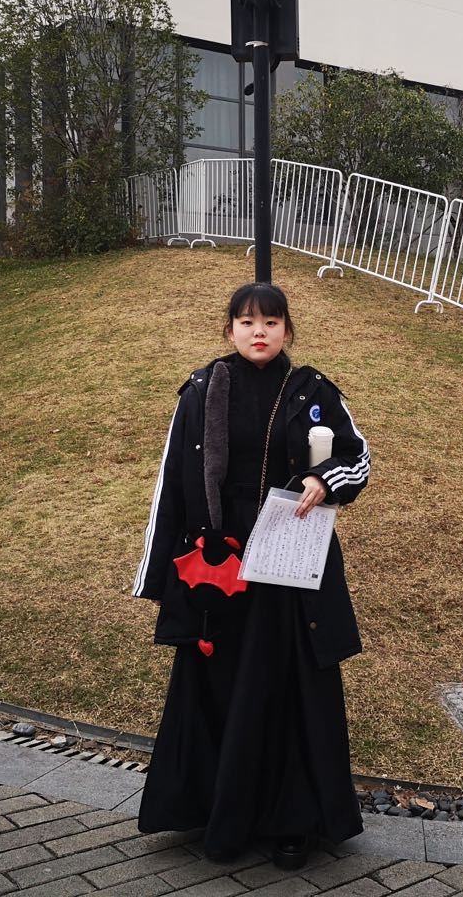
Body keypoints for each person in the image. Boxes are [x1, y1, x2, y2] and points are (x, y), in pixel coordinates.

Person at [132, 281, 370, 869]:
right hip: (221, 562)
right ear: (229, 330)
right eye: (245, 322)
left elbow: (358, 457)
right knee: (222, 684)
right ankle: (220, 812)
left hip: (289, 560)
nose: (258, 331)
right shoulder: (202, 389)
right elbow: (172, 482)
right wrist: (157, 575)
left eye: (270, 322)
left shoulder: (314, 391)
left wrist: (324, 480)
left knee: (286, 686)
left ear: (287, 330)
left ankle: (293, 821)